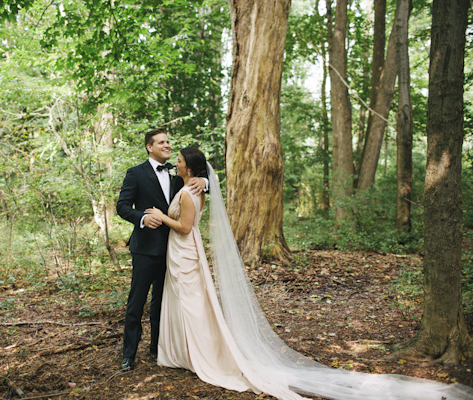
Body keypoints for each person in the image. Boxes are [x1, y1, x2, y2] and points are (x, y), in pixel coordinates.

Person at [145, 147, 473, 400]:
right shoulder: (191, 185)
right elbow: (195, 186)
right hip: (180, 254)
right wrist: (201, 182)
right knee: (186, 303)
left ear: (190, 165)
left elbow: (186, 227)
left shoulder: (190, 193)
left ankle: (204, 356)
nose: (176, 163)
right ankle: (181, 353)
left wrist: (162, 215)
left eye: (180, 160)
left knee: (193, 305)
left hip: (185, 251)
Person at [116, 128, 206, 372]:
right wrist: (143, 219)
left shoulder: (179, 175)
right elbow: (122, 206)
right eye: (162, 142)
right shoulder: (135, 173)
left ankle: (158, 347)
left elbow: (200, 185)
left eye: (168, 142)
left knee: (162, 302)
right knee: (137, 301)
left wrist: (204, 180)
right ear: (149, 147)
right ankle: (129, 354)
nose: (167, 145)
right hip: (145, 249)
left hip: (174, 250)